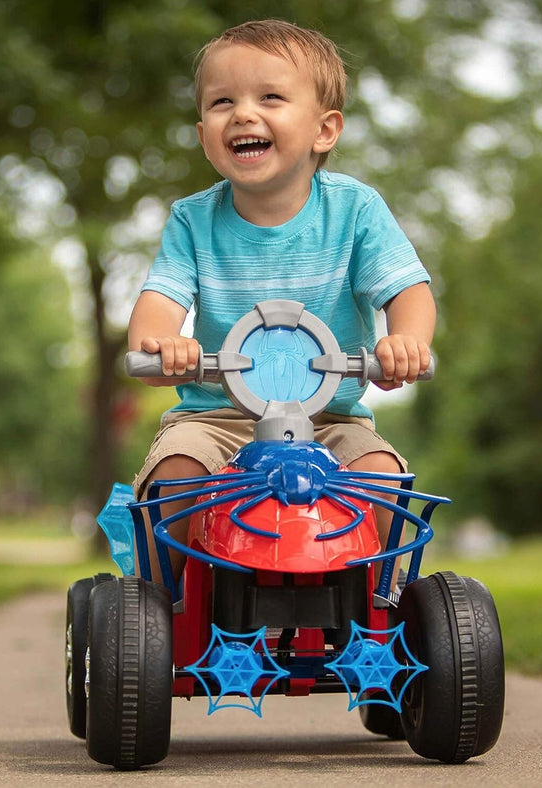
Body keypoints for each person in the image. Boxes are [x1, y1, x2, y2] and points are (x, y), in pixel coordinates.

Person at [128, 19, 436, 586]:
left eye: (270, 97)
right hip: (217, 415)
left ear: (325, 129)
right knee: (175, 473)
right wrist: (161, 344)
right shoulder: (193, 220)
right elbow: (159, 301)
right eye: (223, 102)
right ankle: (155, 605)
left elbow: (408, 291)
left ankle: (383, 602)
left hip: (329, 417)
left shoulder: (355, 211)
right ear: (203, 135)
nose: (243, 114)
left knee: (381, 476)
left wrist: (406, 341)